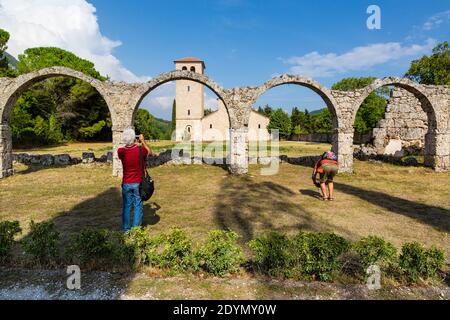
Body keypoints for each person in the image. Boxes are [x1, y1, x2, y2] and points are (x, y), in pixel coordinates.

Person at [118, 128, 153, 232]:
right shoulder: (140, 150)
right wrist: (142, 141)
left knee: (127, 206)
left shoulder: (121, 151)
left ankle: (126, 230)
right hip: (138, 182)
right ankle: (136, 230)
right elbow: (150, 152)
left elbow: (126, 150)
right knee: (137, 205)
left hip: (126, 183)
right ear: (134, 138)